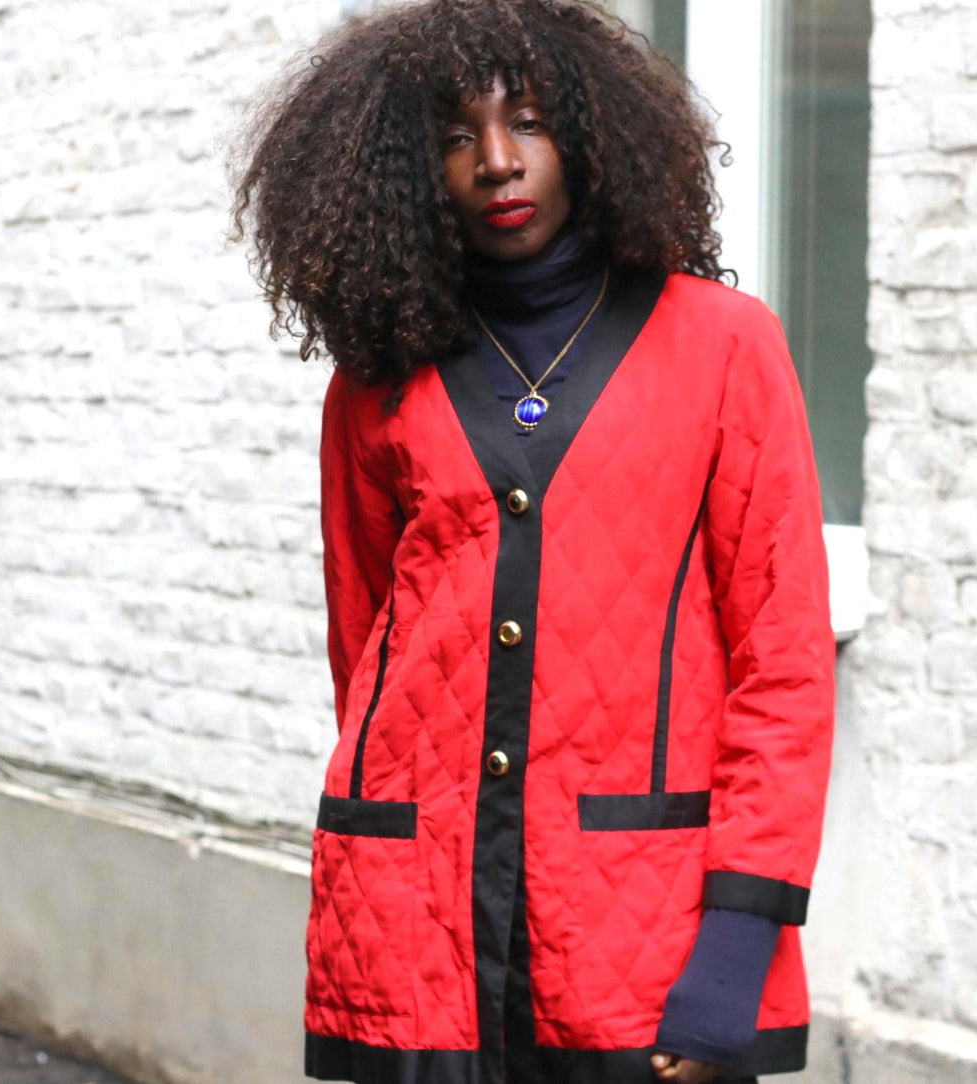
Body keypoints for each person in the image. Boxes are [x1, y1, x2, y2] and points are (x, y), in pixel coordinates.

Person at [226, 2, 836, 1082]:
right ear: (405, 170)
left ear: (594, 137)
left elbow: (782, 664)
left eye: (529, 122)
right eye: (454, 136)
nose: (496, 162)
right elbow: (365, 652)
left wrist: (736, 947)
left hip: (639, 922)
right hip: (416, 923)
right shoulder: (375, 378)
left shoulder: (724, 346)